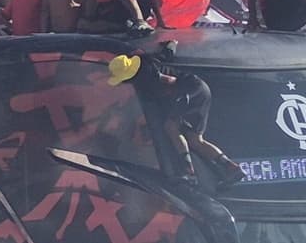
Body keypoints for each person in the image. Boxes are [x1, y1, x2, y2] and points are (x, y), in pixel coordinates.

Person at [105, 51, 245, 188]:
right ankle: (231, 168)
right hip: (200, 90)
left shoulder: (148, 76)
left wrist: (177, 104)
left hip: (188, 94)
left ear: (130, 76)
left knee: (170, 127)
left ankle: (187, 172)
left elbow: (172, 81)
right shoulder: (144, 59)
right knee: (195, 140)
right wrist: (171, 46)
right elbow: (165, 54)